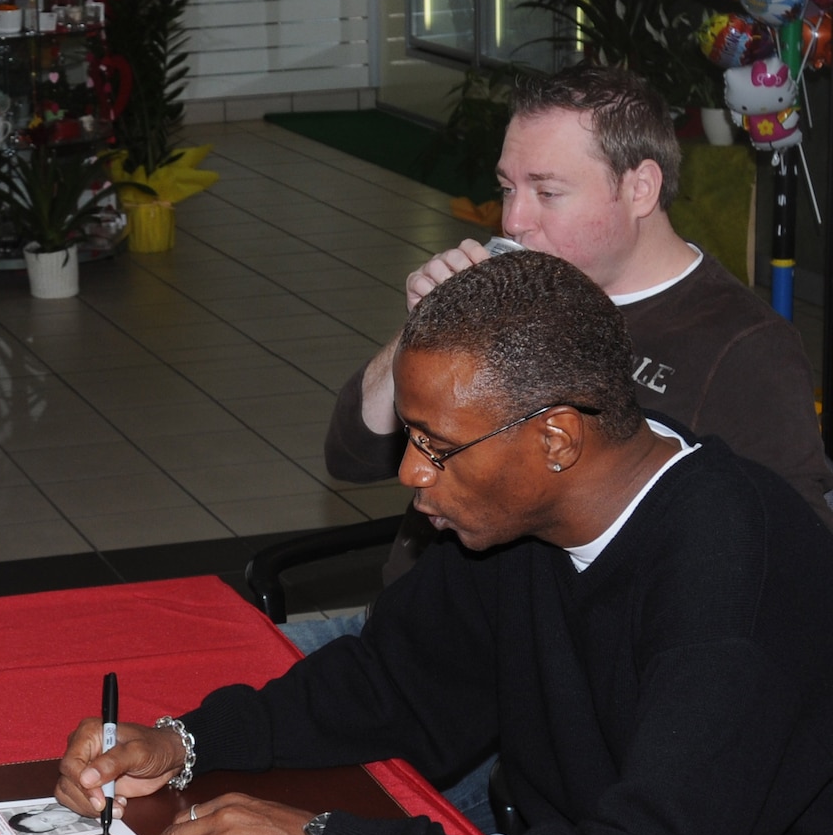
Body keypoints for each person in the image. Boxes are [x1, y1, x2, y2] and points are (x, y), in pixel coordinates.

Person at [56, 252, 833, 835]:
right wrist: (186, 743)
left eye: (436, 446)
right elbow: (392, 684)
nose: (410, 474)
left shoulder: (735, 579)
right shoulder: (526, 512)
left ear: (555, 439)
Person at [325, 63, 832, 532]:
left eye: (547, 193)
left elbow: (795, 547)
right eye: (508, 188)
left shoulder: (743, 348)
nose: (514, 221)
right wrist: (425, 326)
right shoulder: (511, 296)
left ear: (641, 190)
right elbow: (353, 457)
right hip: (425, 616)